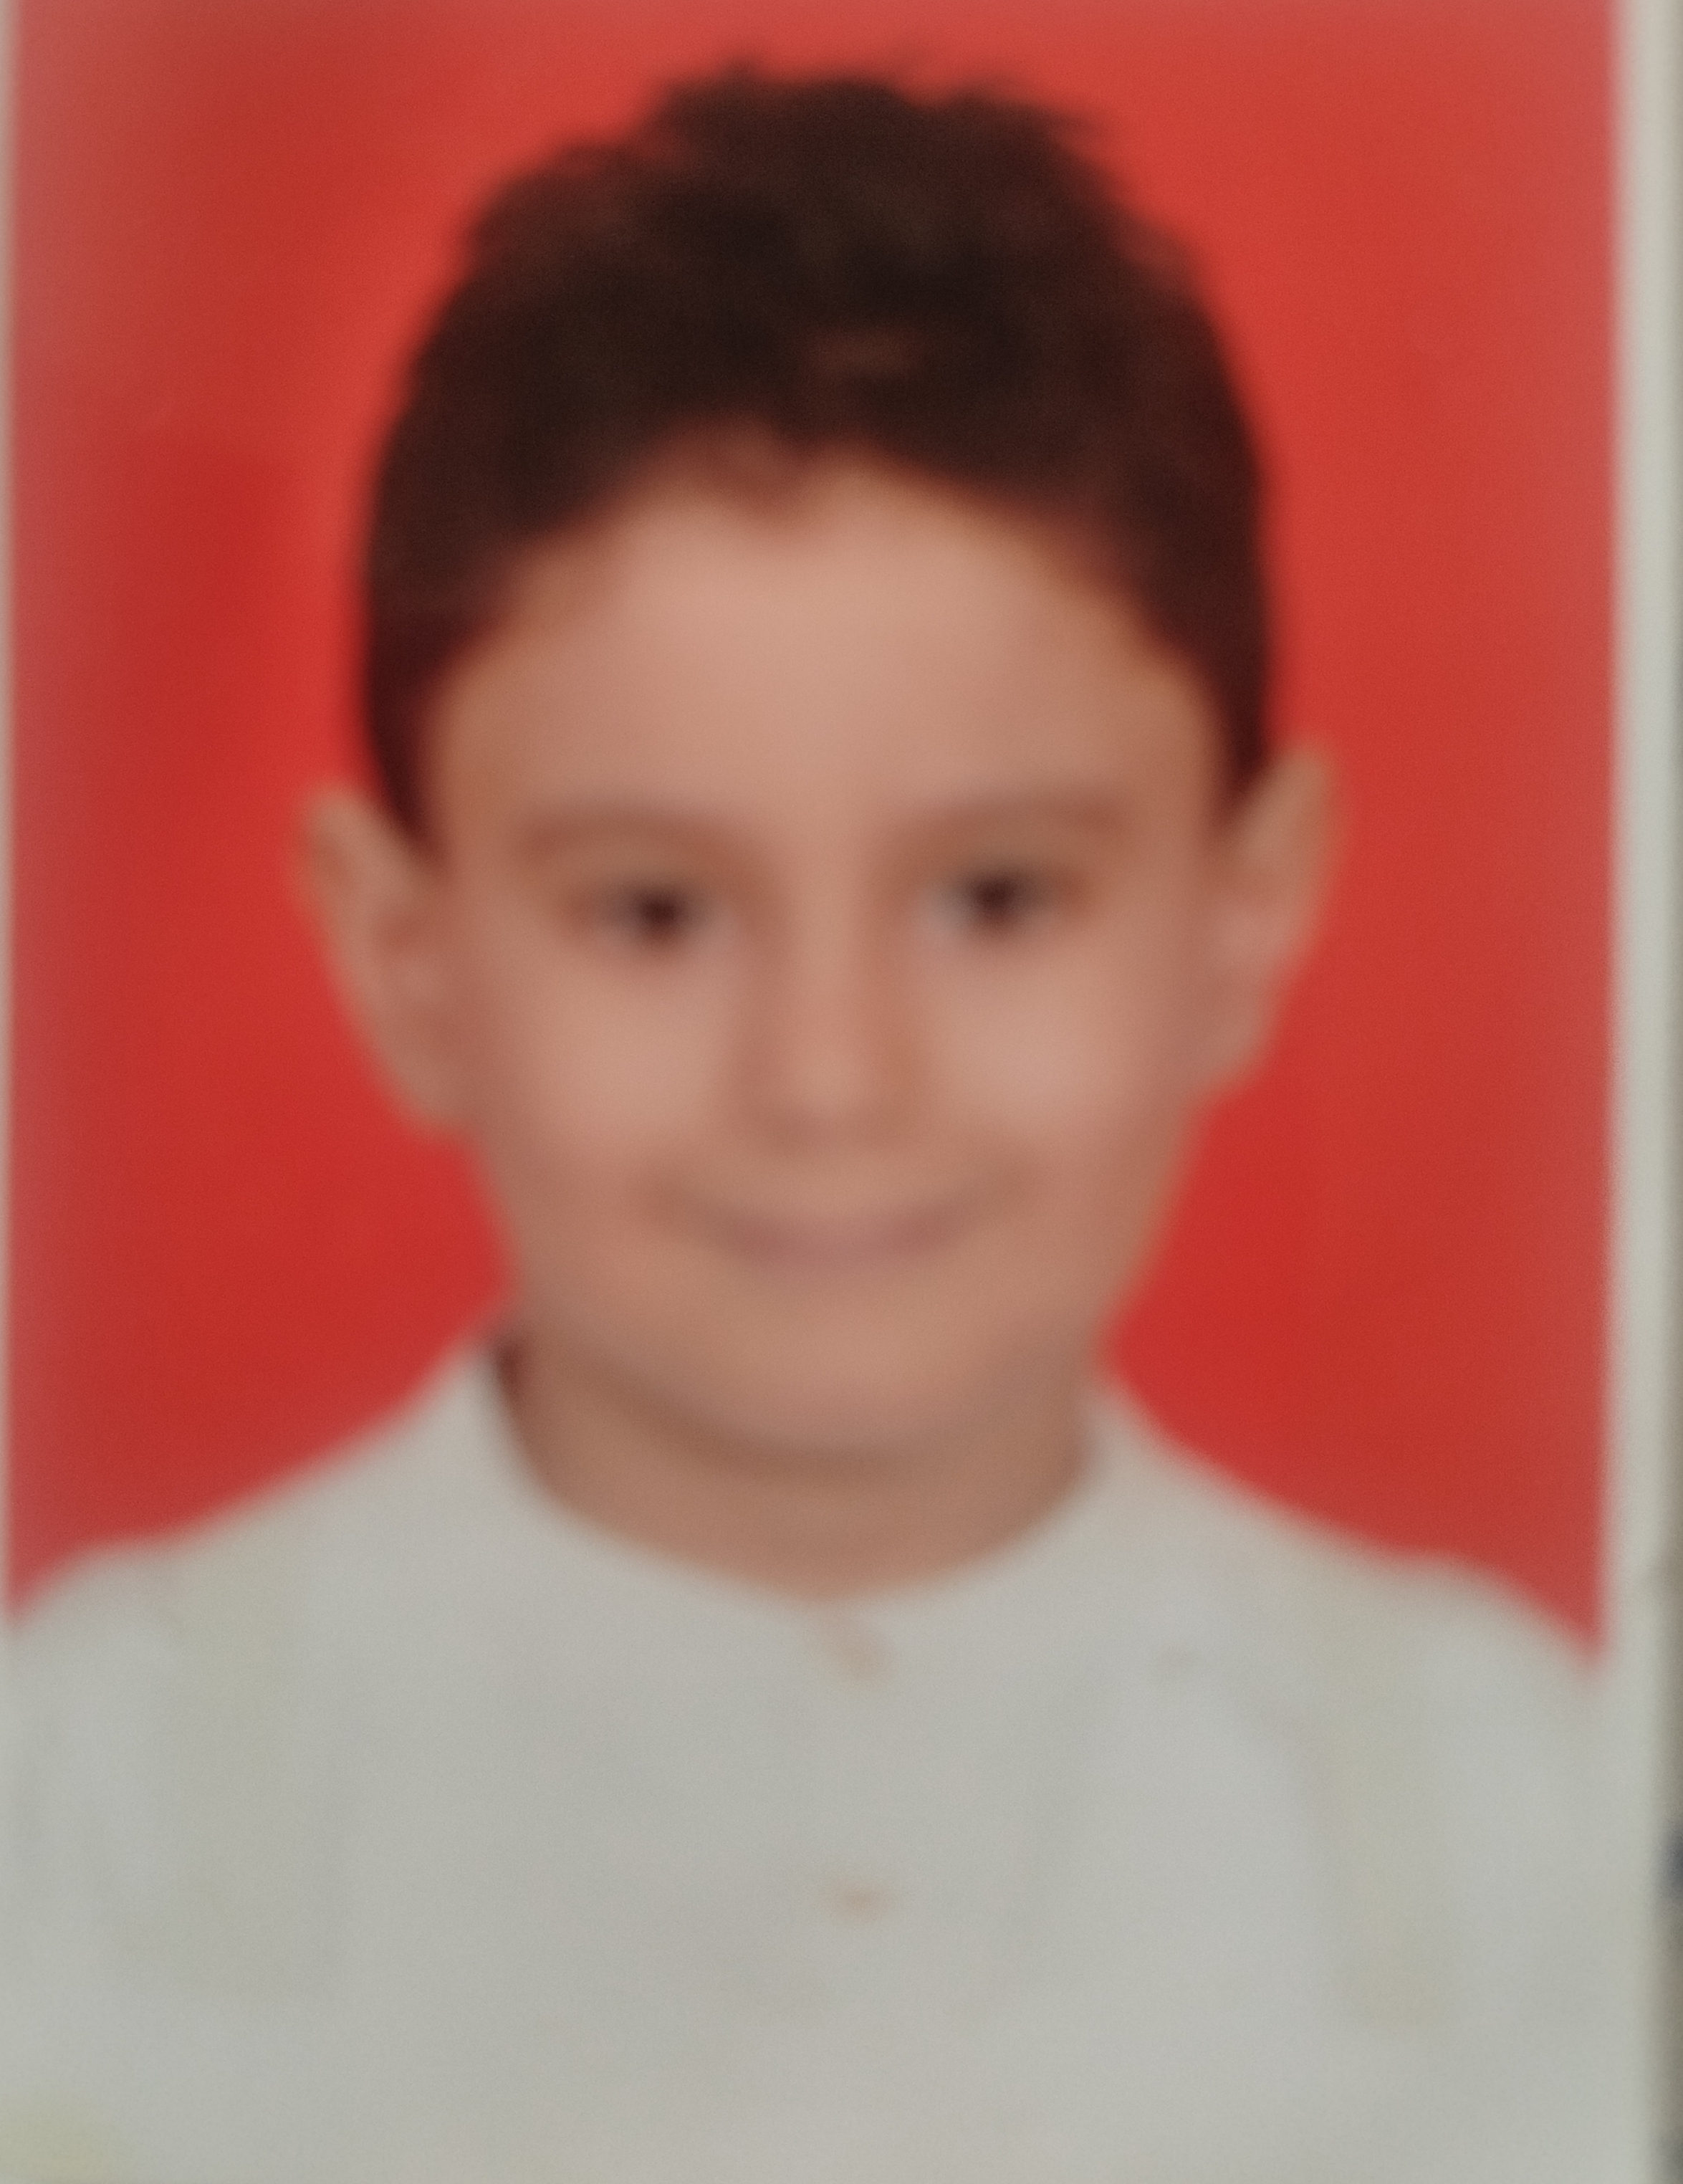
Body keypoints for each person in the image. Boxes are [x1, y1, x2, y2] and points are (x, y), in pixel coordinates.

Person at [0, 65, 1606, 2184]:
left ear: (1247, 917)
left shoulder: (1525, 1817)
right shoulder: (81, 1802)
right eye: (652, 913)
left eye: (999, 899)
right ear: (407, 963)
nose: (831, 1082)